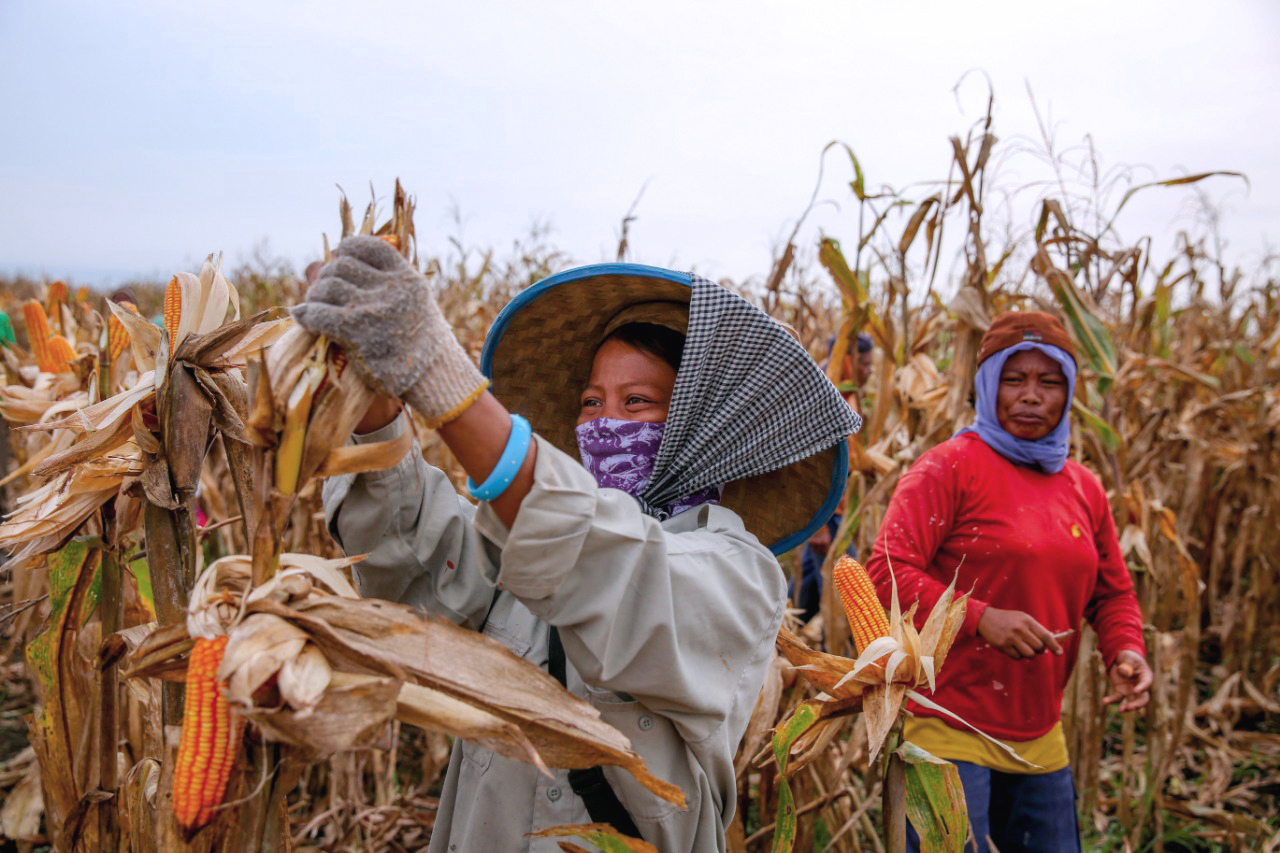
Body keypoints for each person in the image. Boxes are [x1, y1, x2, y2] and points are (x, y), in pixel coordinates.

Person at [295, 238, 862, 852]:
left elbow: (619, 575)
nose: (601, 423)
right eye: (591, 403)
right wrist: (373, 407)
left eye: (636, 403)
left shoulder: (739, 575)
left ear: (699, 432)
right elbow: (417, 571)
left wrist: (440, 375)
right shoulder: (514, 542)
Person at [863, 310, 1151, 853]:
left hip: (1040, 730)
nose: (1031, 395)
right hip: (945, 723)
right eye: (1014, 379)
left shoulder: (1083, 487)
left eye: (1049, 381)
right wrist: (980, 619)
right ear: (987, 386)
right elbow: (886, 571)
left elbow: (1112, 592)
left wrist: (1125, 652)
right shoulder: (947, 468)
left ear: (1069, 392)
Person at [790, 332, 875, 623]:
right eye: (865, 363)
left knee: (811, 587)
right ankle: (835, 651)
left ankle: (784, 635)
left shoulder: (846, 394)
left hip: (838, 510)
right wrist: (819, 527)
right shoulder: (825, 395)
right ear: (847, 358)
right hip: (826, 514)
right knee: (845, 597)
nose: (870, 371)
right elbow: (806, 463)